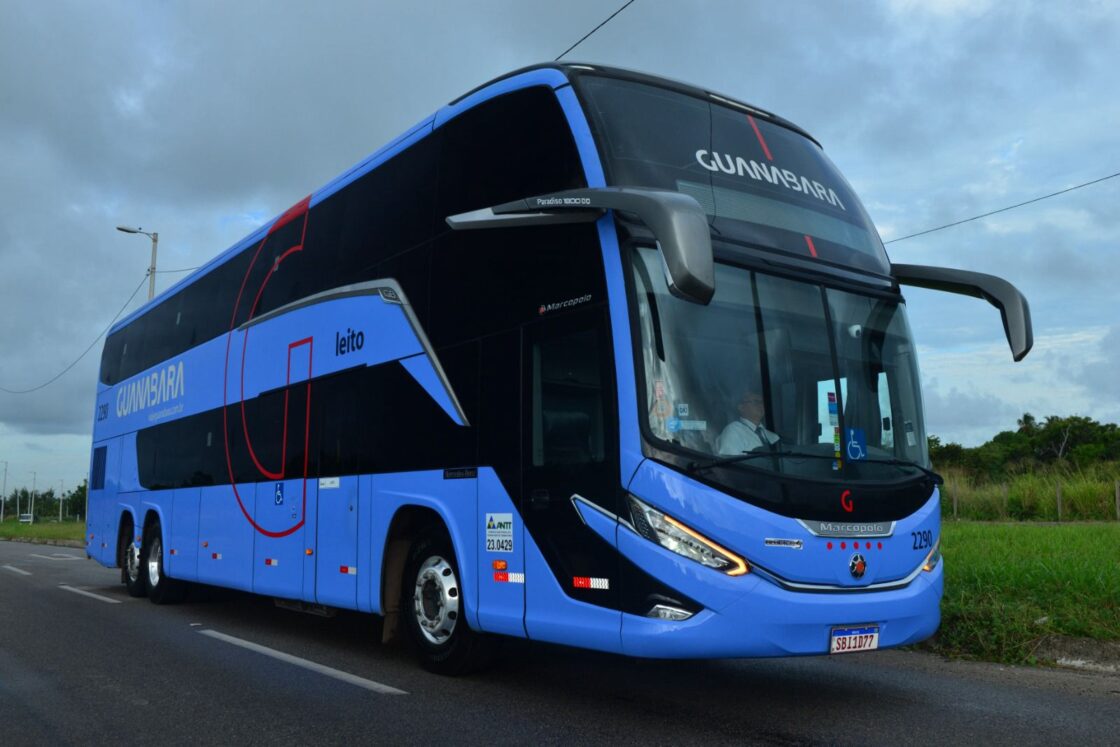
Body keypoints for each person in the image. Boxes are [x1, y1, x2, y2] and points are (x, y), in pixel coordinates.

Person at [716, 387, 779, 455]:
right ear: (741, 407)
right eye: (755, 402)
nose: (760, 405)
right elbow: (730, 460)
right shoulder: (733, 431)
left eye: (762, 402)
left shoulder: (773, 437)